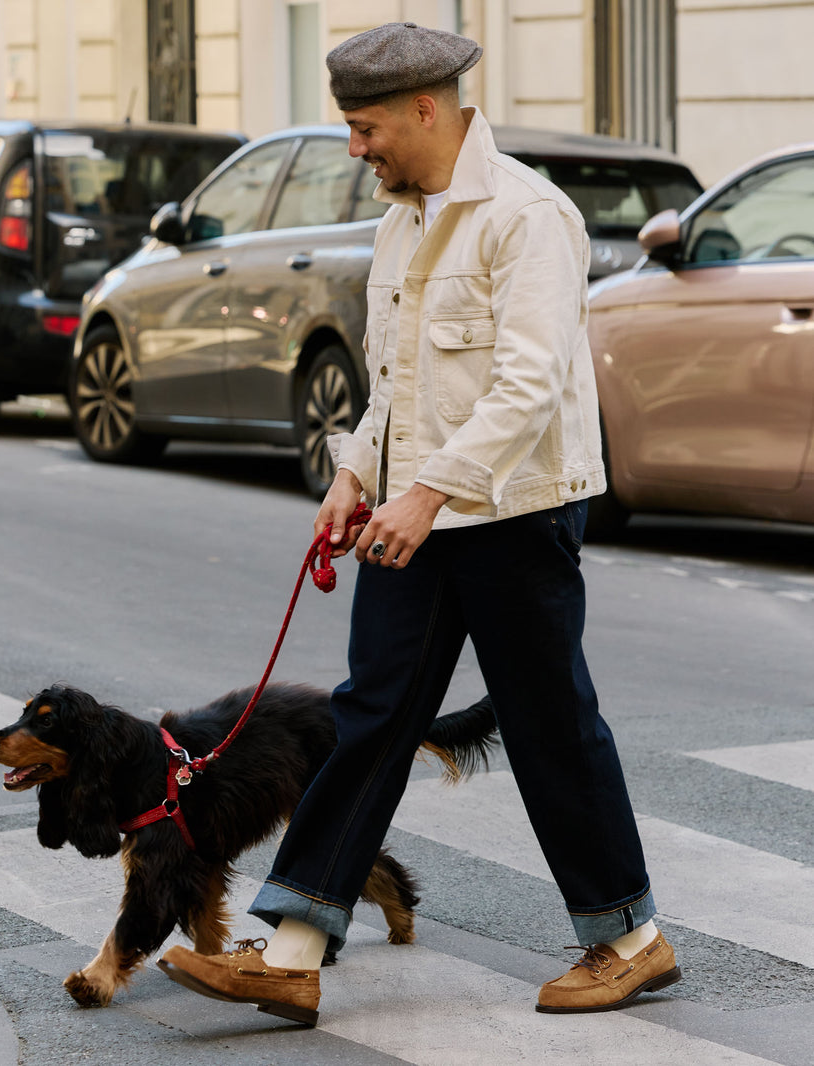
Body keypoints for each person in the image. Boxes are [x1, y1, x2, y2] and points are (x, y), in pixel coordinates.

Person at [158, 21, 681, 1025]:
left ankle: (630, 939)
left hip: (515, 508)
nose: (355, 148)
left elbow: (528, 383)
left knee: (549, 724)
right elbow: (395, 384)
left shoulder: (527, 217)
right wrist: (356, 472)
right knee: (370, 716)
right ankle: (293, 951)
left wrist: (428, 491)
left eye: (366, 129)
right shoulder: (402, 222)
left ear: (426, 110)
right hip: (415, 510)